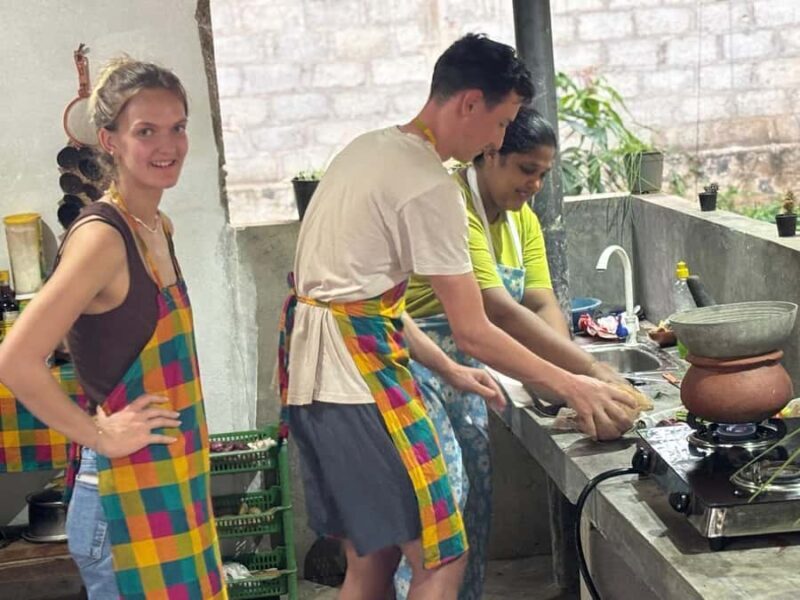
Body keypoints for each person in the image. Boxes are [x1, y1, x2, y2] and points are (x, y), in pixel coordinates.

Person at [278, 33, 637, 600]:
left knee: (373, 561)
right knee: (445, 554)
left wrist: (448, 369)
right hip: (360, 383)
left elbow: (373, 303)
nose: (496, 139)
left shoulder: (367, 150)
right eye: (500, 123)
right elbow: (477, 325)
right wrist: (575, 384)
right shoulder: (429, 185)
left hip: (316, 379)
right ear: (469, 102)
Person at [0, 58, 226, 599]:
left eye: (176, 127)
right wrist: (98, 433)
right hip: (123, 503)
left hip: (171, 489)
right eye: (145, 131)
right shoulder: (103, 238)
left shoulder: (156, 225)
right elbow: (15, 359)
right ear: (110, 140)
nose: (166, 144)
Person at [400, 106, 633, 599]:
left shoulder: (521, 220)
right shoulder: (454, 203)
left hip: (468, 377)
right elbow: (496, 310)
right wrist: (582, 374)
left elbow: (541, 300)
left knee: (474, 503)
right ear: (490, 154)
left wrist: (563, 381)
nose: (535, 185)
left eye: (544, 174)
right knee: (438, 507)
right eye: (526, 169)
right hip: (416, 369)